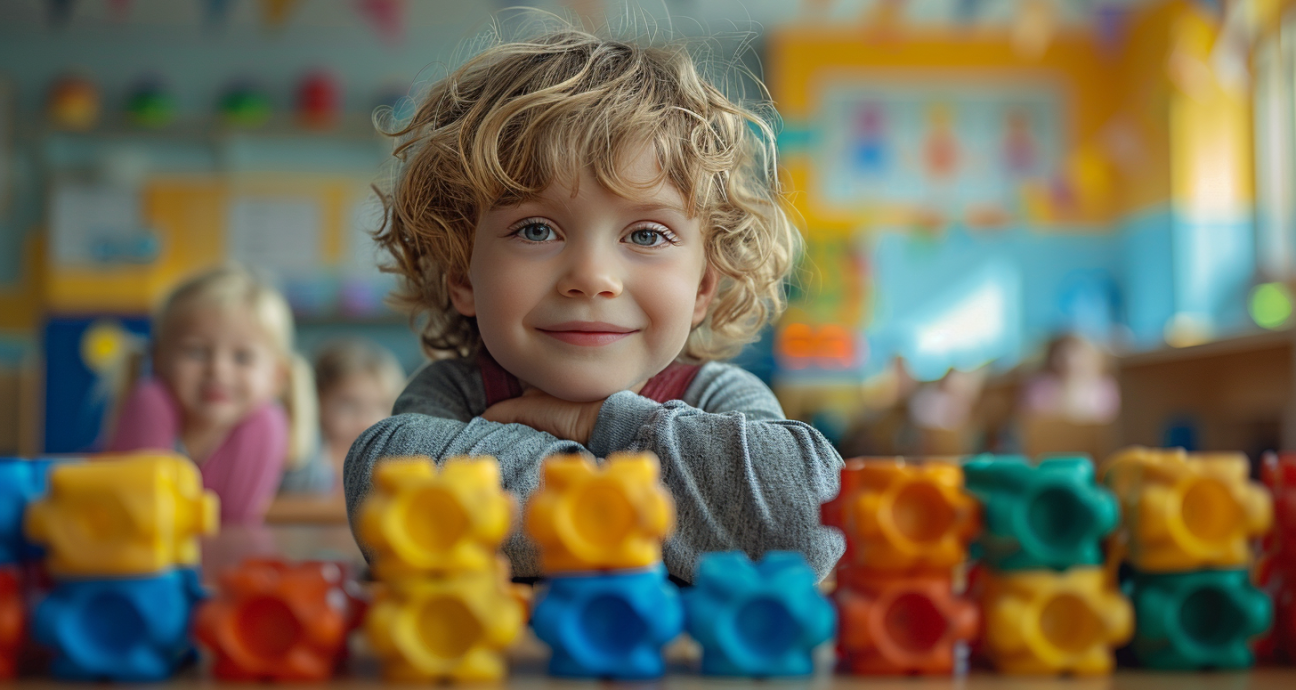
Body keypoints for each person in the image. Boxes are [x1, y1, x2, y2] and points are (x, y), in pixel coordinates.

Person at [344, 25, 845, 583]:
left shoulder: (718, 396)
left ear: (704, 286)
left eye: (647, 235)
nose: (592, 277)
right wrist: (669, 503)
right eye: (536, 229)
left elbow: (807, 521)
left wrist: (596, 421)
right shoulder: (457, 393)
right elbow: (387, 500)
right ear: (462, 274)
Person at [108, 265, 317, 524]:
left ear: (277, 377)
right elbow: (142, 517)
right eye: (195, 351)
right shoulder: (149, 404)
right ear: (159, 359)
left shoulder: (266, 424)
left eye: (243, 357)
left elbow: (231, 525)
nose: (218, 370)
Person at [279, 338, 405, 495]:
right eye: (349, 405)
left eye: (380, 406)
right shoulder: (301, 450)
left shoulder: (395, 456)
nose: (365, 422)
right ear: (317, 401)